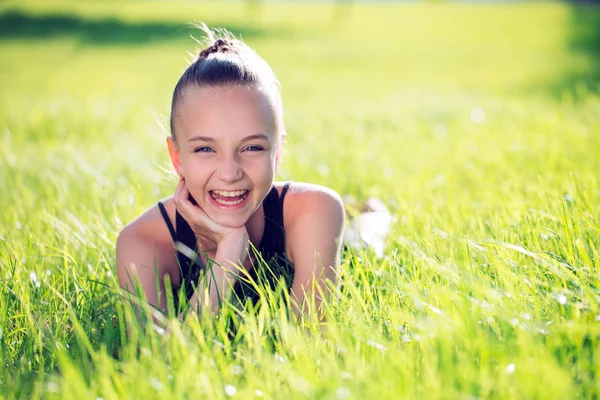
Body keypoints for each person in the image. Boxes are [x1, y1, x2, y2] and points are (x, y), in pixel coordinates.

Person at [115, 26, 345, 321]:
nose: (229, 173)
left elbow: (312, 337)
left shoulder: (316, 209)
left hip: (340, 237)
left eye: (251, 148)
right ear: (177, 157)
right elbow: (157, 359)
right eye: (205, 150)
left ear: (278, 152)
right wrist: (227, 259)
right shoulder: (143, 242)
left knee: (367, 237)